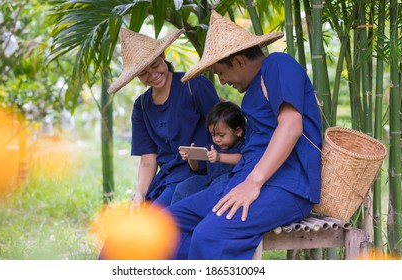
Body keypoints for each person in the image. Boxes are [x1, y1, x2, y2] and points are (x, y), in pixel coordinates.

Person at [167, 10, 322, 259]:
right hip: (241, 181)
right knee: (166, 223)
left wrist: (253, 183)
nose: (222, 81)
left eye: (220, 72)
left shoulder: (278, 64)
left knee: (210, 235)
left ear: (239, 61)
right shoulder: (250, 94)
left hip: (285, 186)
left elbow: (291, 126)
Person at [107, 28, 220, 210]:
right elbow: (148, 159)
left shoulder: (194, 85)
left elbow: (225, 129)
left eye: (155, 65)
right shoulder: (141, 106)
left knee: (155, 224)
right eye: (143, 73)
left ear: (163, 55)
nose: (152, 74)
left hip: (201, 173)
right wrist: (139, 195)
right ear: (136, 76)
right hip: (167, 179)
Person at [172, 101, 245, 204]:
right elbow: (196, 169)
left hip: (227, 184)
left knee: (217, 184)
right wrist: (191, 157)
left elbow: (244, 159)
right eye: (213, 135)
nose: (217, 139)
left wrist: (219, 157)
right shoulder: (212, 148)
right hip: (208, 182)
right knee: (184, 187)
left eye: (221, 135)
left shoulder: (244, 145)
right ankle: (177, 216)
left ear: (238, 131)